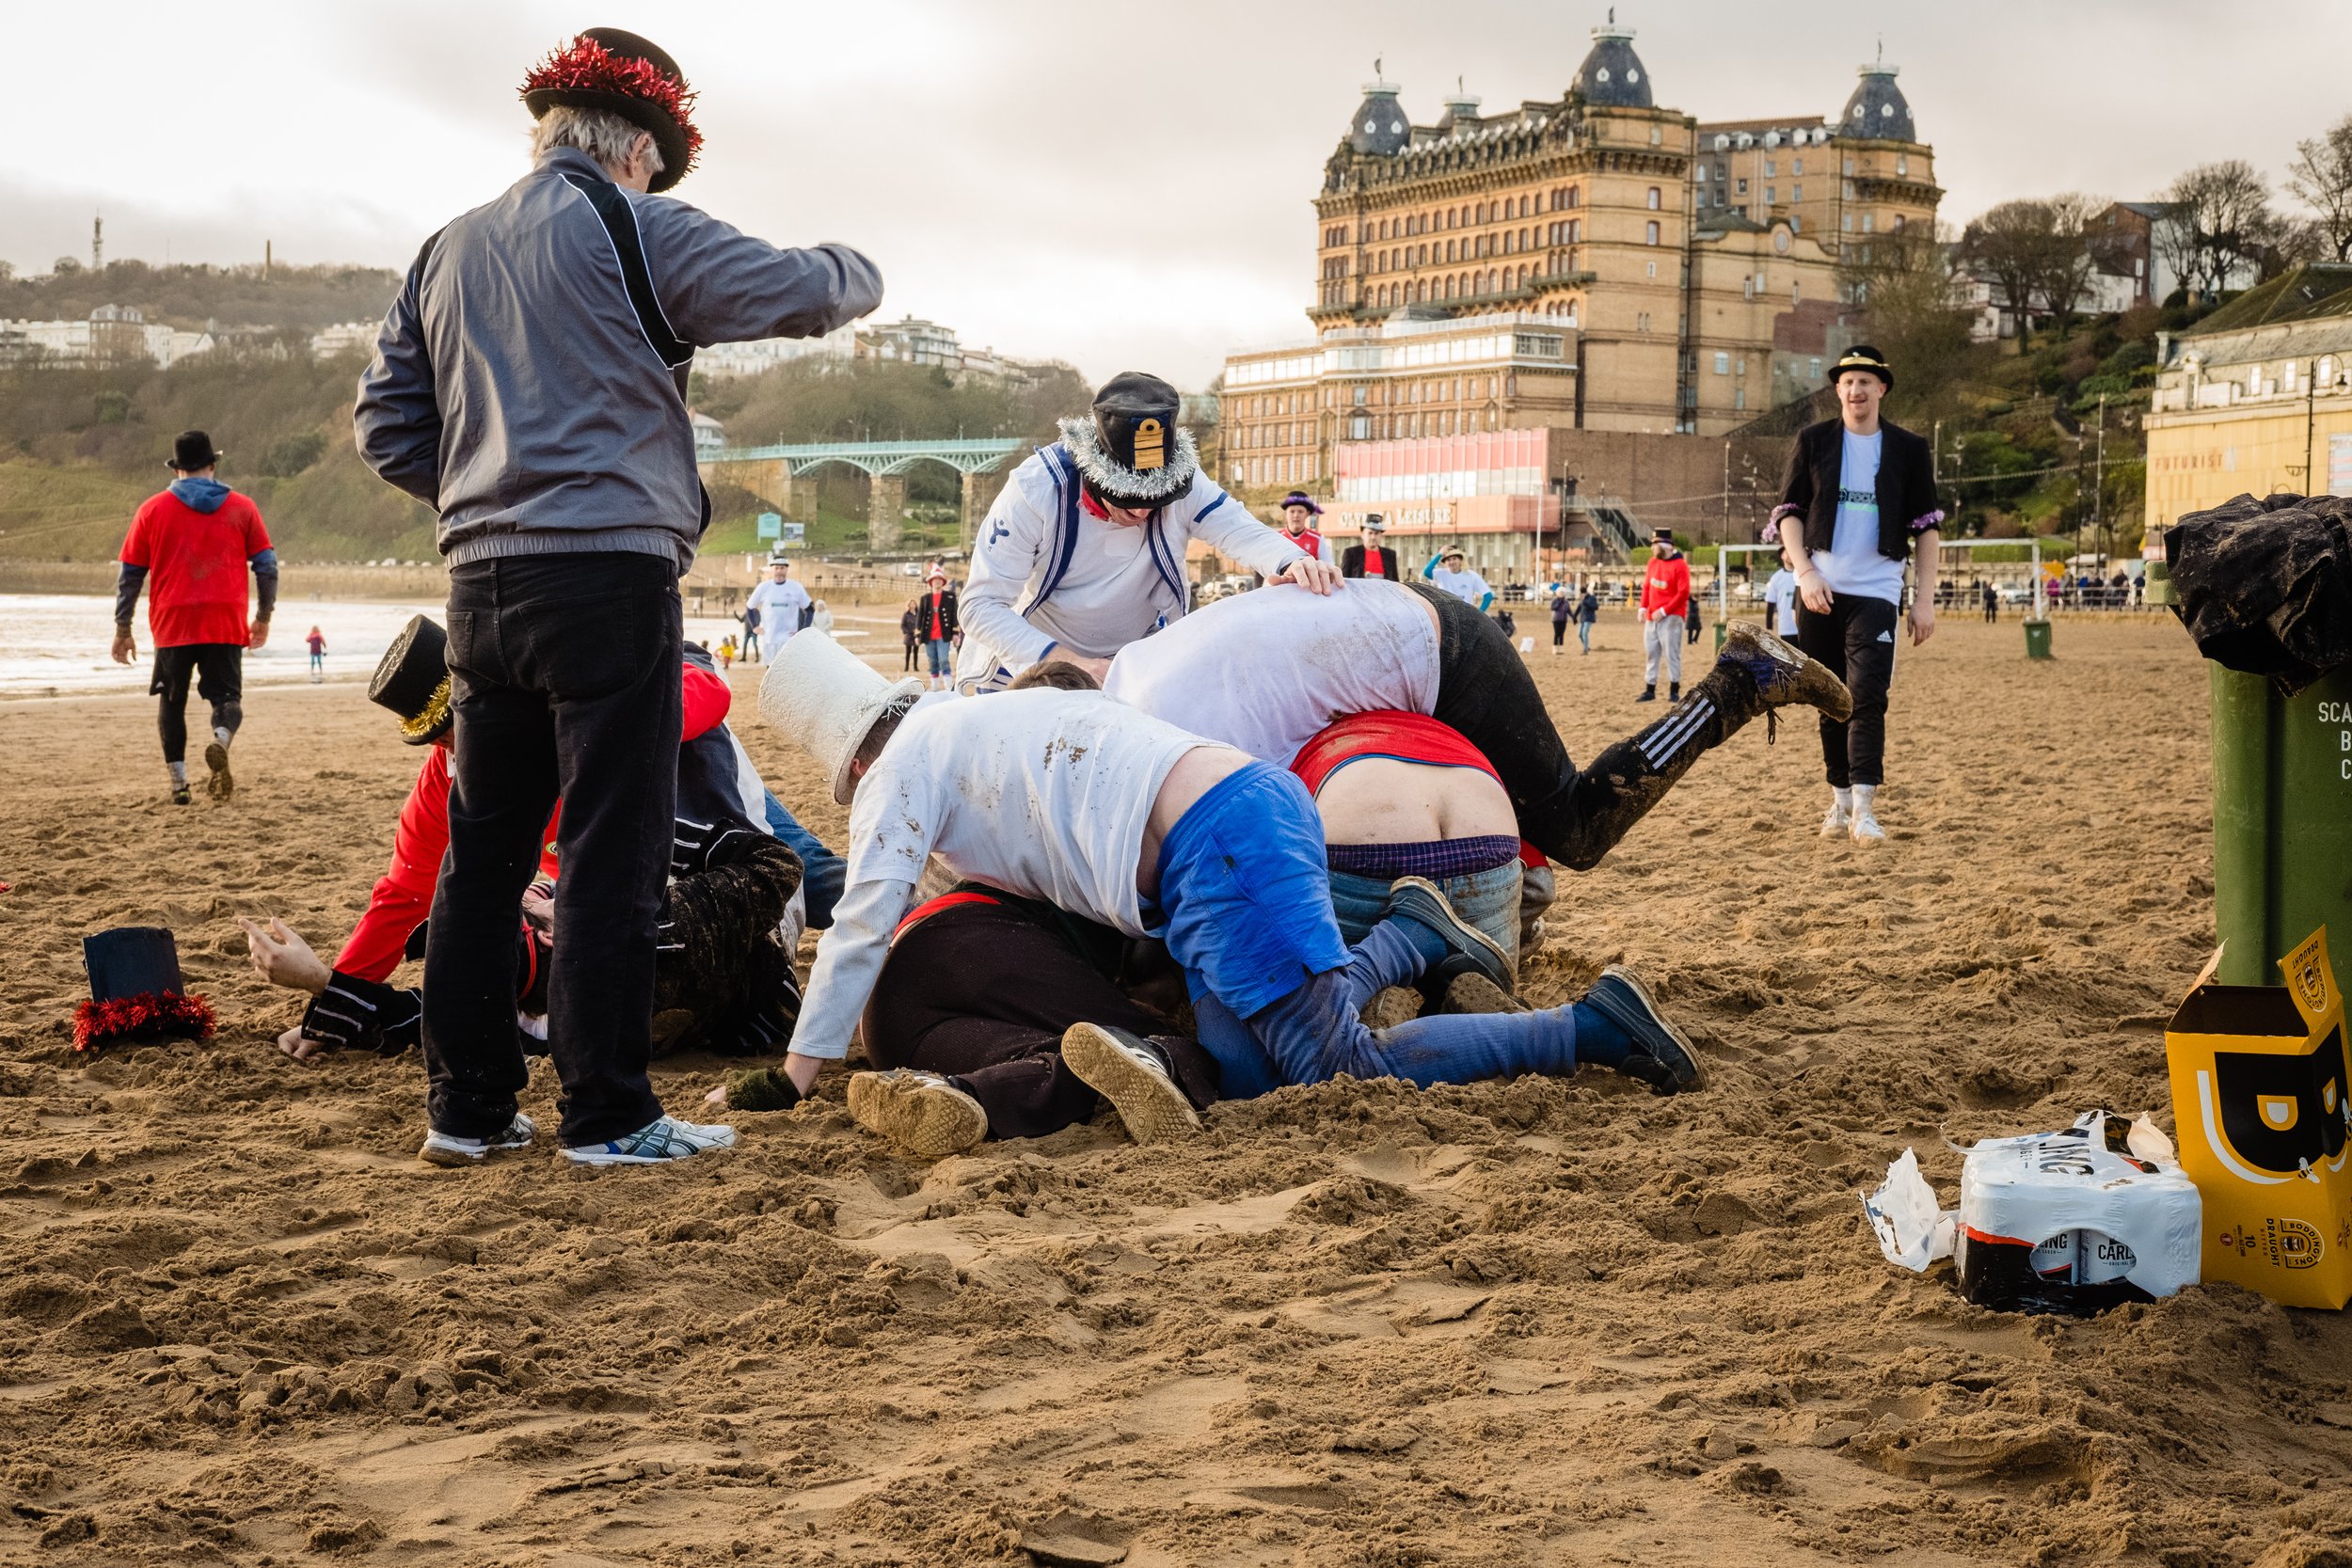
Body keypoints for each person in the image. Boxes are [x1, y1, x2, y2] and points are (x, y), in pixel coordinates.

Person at [352, 26, 882, 1166]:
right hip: (608, 573)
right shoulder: (632, 224)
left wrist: (484, 492)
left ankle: (468, 1109)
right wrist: (860, 267)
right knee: (609, 841)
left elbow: (384, 426)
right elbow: (797, 292)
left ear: (548, 130)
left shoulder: (444, 249)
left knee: (483, 851)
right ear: (638, 148)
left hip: (481, 582)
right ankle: (607, 1113)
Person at [755, 633, 1707, 1132]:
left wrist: (796, 1077)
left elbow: (861, 926)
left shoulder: (898, 776)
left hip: (1216, 845)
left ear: (851, 761)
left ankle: (1588, 1028)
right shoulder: (968, 721)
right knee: (1249, 1076)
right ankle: (1412, 934)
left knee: (1336, 1066)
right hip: (1235, 815)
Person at [1097, 578, 1851, 877]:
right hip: (1389, 615)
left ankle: (1736, 686)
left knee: (1576, 826)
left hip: (1447, 651)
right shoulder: (1129, 674)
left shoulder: (1170, 746)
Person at [954, 372, 1339, 690]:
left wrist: (1292, 561)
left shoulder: (1185, 482)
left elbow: (1238, 528)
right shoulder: (1034, 489)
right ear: (1093, 473)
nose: (1140, 510)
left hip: (1132, 665)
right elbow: (979, 607)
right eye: (1124, 498)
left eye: (1154, 499)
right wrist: (1071, 664)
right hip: (1031, 662)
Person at [1770, 343, 1942, 846]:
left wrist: (1923, 600)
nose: (1856, 389)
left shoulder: (1909, 449)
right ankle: (1839, 803)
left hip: (1877, 590)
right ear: (1837, 389)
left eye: (1865, 381)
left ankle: (1865, 808)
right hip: (1820, 589)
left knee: (1868, 694)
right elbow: (1789, 513)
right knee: (1832, 698)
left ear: (1881, 388)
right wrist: (1804, 571)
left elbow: (1927, 530)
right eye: (1847, 381)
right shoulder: (1814, 440)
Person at [111, 431, 278, 805]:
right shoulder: (242, 507)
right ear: (212, 466)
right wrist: (263, 616)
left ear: (177, 468)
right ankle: (220, 738)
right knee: (228, 698)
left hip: (173, 623)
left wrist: (124, 628)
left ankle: (179, 784)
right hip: (224, 619)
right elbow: (267, 566)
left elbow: (130, 576)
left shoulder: (151, 510)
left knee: (172, 704)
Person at [1638, 528, 1689, 704]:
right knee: (1651, 653)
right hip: (1652, 617)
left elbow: (1683, 593)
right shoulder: (1652, 563)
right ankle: (1649, 689)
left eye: (1655, 544)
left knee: (1671, 653)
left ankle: (1674, 689)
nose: (1652, 548)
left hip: (1672, 616)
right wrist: (1643, 608)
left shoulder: (1680, 565)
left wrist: (1665, 610)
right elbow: (1646, 587)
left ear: (1664, 545)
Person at [746, 557, 812, 653]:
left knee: (789, 666)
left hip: (789, 639)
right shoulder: (763, 587)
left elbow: (810, 609)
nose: (779, 571)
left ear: (786, 569)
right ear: (771, 569)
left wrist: (803, 631)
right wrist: (754, 626)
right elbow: (749, 607)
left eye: (782, 568)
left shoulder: (796, 587)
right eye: (776, 568)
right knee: (770, 667)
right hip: (769, 639)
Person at [915, 568, 959, 690]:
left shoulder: (950, 596)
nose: (937, 581)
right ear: (931, 582)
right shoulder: (925, 598)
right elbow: (920, 617)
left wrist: (955, 633)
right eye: (935, 579)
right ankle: (935, 687)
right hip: (928, 635)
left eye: (940, 579)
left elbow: (954, 615)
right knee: (933, 661)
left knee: (944, 660)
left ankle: (948, 685)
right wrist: (917, 635)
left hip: (943, 634)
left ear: (943, 582)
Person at [1422, 545, 1493, 611]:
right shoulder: (1440, 574)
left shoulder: (1471, 575)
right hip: (1445, 614)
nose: (1452, 562)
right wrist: (1439, 554)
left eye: (1454, 558)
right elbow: (1426, 572)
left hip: (1465, 614)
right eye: (1448, 560)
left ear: (1461, 560)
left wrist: (1480, 615)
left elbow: (1488, 596)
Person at [1274, 490, 1333, 567]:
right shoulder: (1276, 538)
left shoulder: (1318, 539)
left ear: (1307, 513)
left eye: (1300, 511)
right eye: (1292, 511)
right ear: (1286, 513)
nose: (1296, 515)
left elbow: (1329, 566)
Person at [1340, 513, 1399, 580]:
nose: (1373, 537)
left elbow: (1395, 581)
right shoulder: (1351, 553)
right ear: (1362, 535)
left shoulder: (1390, 555)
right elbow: (1343, 579)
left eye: (1376, 533)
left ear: (1381, 535)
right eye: (1370, 533)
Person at [1763, 562, 1800, 638]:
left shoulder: (1804, 573)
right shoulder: (1776, 577)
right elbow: (1770, 603)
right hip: (1786, 629)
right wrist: (1769, 627)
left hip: (1804, 628)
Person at [1575, 584, 1599, 654]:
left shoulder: (1592, 598)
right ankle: (1586, 646)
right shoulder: (1582, 599)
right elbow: (1579, 608)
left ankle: (1585, 650)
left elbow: (1595, 607)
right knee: (1579, 634)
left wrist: (1585, 602)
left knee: (1584, 633)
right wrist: (1575, 616)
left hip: (1589, 618)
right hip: (1583, 618)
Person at [899, 596, 921, 673]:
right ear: (909, 605)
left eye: (914, 603)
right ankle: (906, 667)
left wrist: (919, 632)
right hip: (908, 636)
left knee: (916, 652)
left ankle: (915, 667)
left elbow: (921, 624)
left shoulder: (919, 614)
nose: (912, 605)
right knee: (908, 652)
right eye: (911, 604)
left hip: (917, 635)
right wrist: (906, 632)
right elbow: (902, 625)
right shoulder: (906, 614)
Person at [1549, 587, 1570, 656]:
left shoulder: (1566, 602)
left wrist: (1574, 617)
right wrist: (1559, 603)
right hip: (1556, 619)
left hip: (1563, 620)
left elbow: (1568, 610)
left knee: (1561, 634)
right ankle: (1555, 649)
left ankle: (1560, 649)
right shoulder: (1555, 601)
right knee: (1557, 633)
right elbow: (1553, 608)